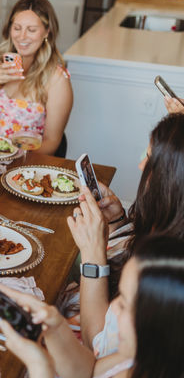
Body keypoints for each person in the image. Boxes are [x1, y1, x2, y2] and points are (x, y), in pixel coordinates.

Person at [65, 113, 184, 356]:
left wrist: (93, 257)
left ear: (171, 178)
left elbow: (97, 344)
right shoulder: (169, 222)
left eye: (149, 158)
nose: (141, 165)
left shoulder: (167, 268)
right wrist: (119, 221)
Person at [0, 236, 184, 378]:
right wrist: (56, 328)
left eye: (124, 304)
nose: (114, 306)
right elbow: (89, 375)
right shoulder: (143, 358)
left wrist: (40, 368)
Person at [0, 0, 73, 155]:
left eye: (31, 30)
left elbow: (52, 142)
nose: (22, 37)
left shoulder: (57, 78)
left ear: (47, 32)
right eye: (17, 28)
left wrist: (14, 164)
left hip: (18, 169)